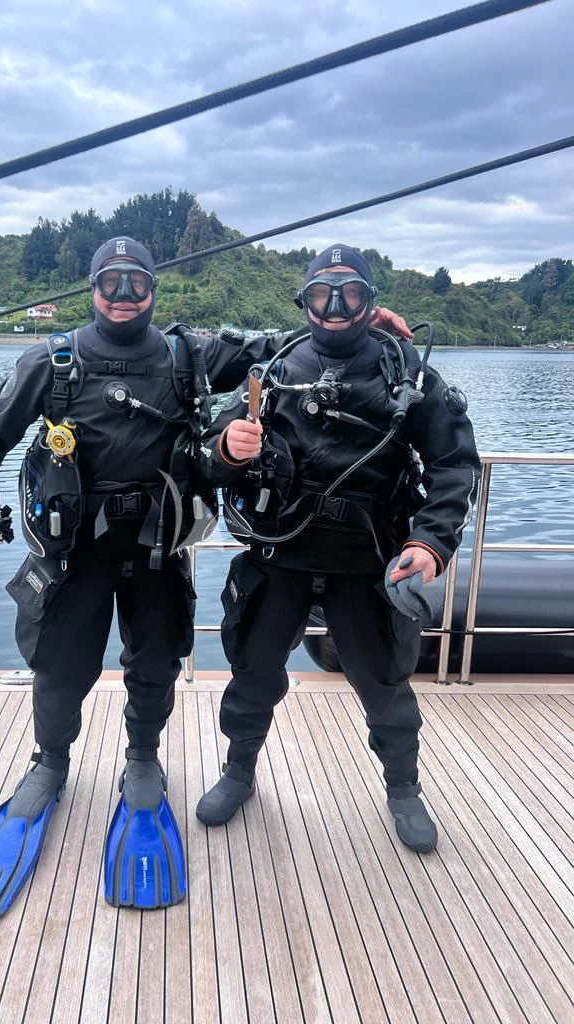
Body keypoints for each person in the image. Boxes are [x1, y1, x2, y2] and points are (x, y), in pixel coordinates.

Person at [0, 235, 413, 920]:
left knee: (153, 663)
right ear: (91, 287)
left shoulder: (186, 356)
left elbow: (277, 348)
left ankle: (143, 758)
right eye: (111, 283)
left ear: (155, 287)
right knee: (60, 666)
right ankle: (50, 763)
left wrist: (363, 320)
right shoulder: (52, 360)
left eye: (137, 282)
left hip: (156, 550)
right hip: (75, 555)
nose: (124, 296)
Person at [195, 243, 480, 854]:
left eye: (350, 293)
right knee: (252, 676)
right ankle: (238, 772)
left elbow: (456, 465)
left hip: (367, 564)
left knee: (385, 688)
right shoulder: (272, 368)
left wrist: (430, 541)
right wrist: (226, 447)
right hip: (280, 558)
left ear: (370, 302)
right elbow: (210, 451)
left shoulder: (407, 373)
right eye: (322, 292)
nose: (334, 306)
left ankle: (404, 787)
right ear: (305, 300)